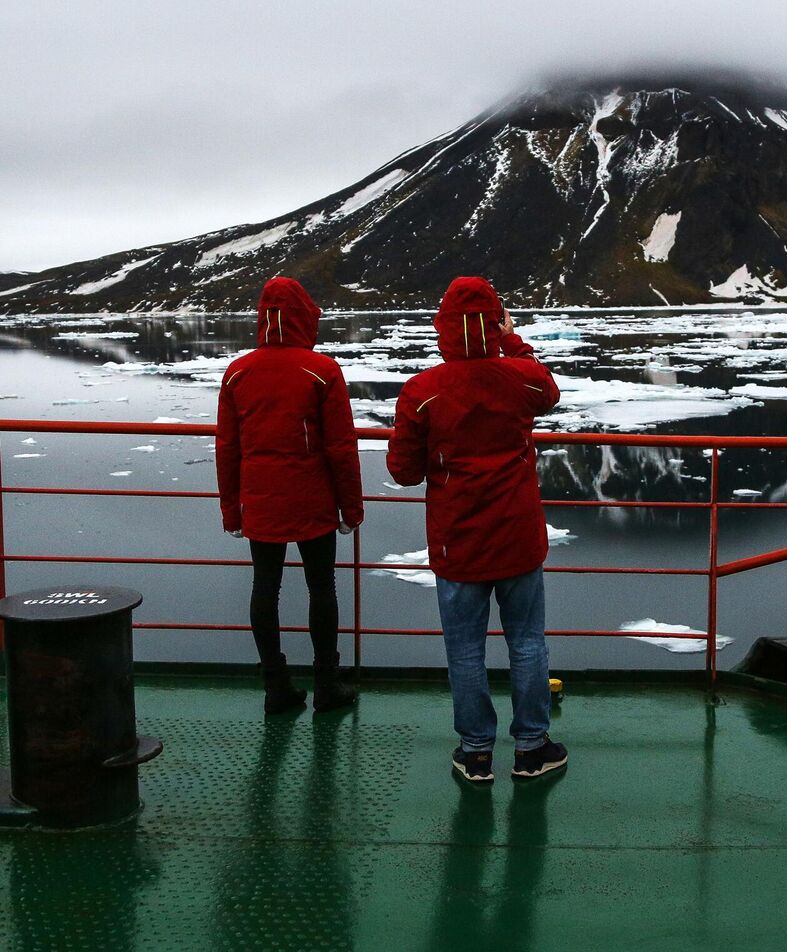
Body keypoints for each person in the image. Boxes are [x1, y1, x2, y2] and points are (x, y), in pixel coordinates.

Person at [388, 276, 567, 783]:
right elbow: (546, 388)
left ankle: (476, 752)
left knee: (465, 648)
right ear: (495, 322)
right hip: (517, 536)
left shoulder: (422, 392)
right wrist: (512, 339)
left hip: (457, 540)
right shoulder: (520, 379)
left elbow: (403, 470)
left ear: (442, 326)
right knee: (528, 641)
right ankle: (532, 747)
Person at [216, 276, 364, 715]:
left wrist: (231, 510)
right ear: (304, 317)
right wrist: (351, 507)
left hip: (260, 502)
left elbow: (228, 447)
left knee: (266, 588)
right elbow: (340, 447)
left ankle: (276, 686)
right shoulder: (321, 371)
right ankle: (326, 685)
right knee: (322, 588)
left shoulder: (238, 372)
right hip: (313, 501)